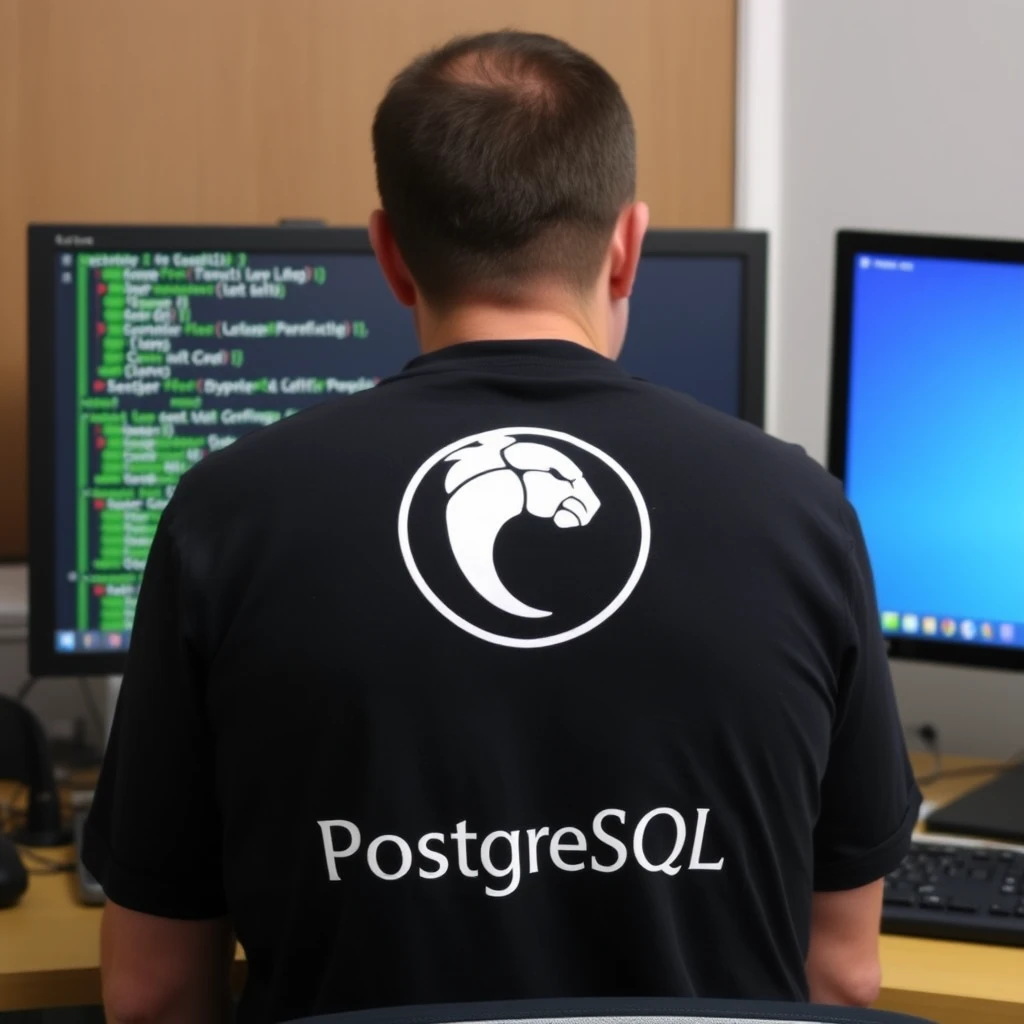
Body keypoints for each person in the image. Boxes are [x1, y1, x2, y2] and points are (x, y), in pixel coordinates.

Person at [83, 30, 920, 1024]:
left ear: (389, 252)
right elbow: (842, 980)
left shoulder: (229, 512)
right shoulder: (801, 515)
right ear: (626, 245)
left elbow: (152, 993)